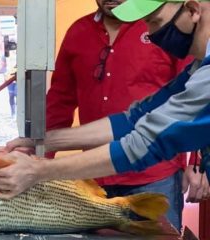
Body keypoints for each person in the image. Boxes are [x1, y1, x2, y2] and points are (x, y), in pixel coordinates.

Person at [0, 0, 210, 223]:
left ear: (193, 10)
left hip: (153, 177)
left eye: (156, 22)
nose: (152, 34)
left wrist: (39, 170)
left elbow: (145, 142)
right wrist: (42, 141)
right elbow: (133, 119)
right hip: (102, 177)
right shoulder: (197, 70)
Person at [41, 0, 193, 231]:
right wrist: (41, 155)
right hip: (95, 178)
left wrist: (196, 165)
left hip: (154, 175)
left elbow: (192, 100)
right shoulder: (78, 33)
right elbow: (60, 100)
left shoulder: (162, 29)